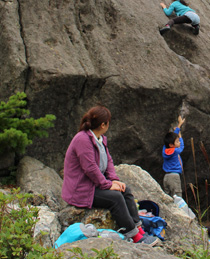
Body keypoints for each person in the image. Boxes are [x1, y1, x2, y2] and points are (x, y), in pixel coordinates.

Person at [62, 105, 160, 246]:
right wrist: (107, 185)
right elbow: (90, 168)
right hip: (81, 190)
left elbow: (108, 162)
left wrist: (114, 180)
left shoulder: (100, 139)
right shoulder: (82, 139)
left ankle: (139, 229)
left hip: (93, 185)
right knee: (115, 198)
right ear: (103, 124)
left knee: (125, 190)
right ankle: (134, 236)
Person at [162, 115, 185, 197]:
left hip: (166, 177)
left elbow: (172, 139)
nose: (178, 142)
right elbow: (182, 146)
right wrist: (180, 135)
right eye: (177, 141)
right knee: (177, 196)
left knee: (167, 196)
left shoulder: (165, 149)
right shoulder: (176, 151)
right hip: (174, 176)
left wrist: (178, 127)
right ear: (172, 145)